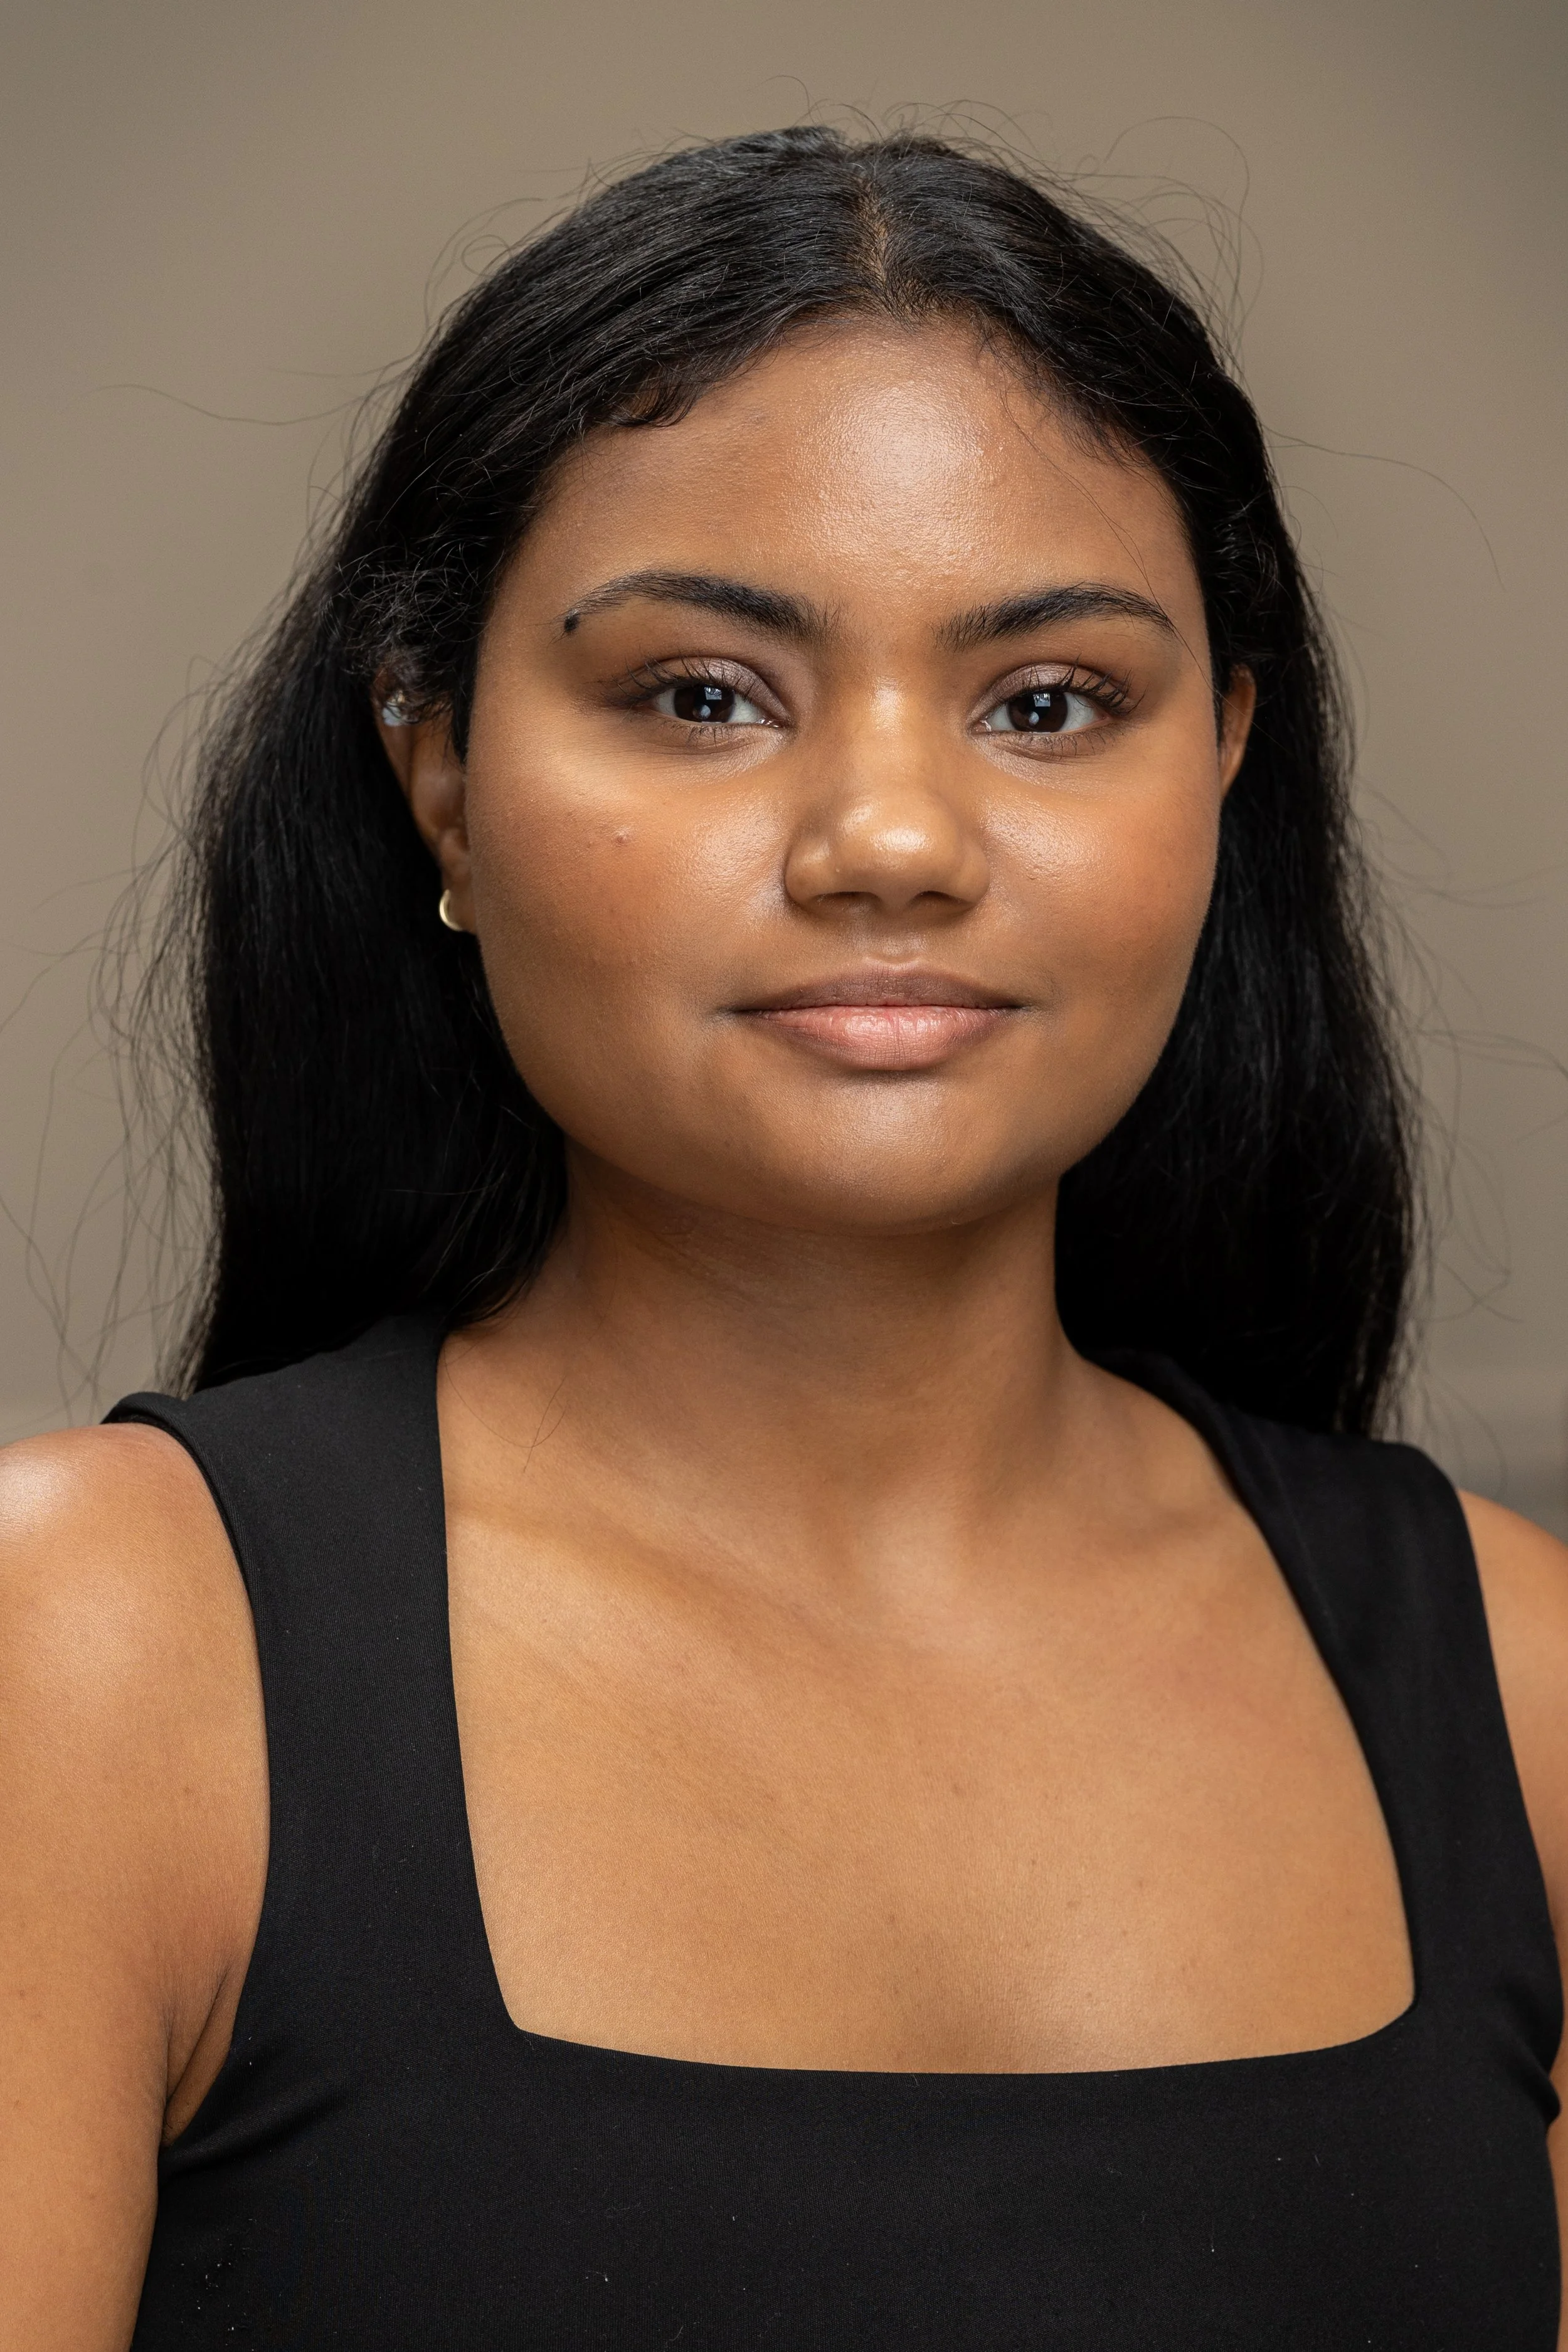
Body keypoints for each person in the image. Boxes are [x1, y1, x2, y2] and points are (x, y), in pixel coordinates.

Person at [1, 124, 1563, 2350]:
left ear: (1220, 762)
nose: (893, 839)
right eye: (700, 693)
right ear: (434, 765)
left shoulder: (1519, 1690)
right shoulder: (85, 1664)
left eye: (1047, 705)